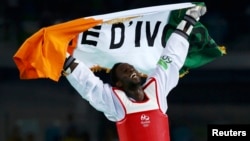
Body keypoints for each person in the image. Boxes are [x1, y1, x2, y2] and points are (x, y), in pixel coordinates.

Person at [61, 5, 207, 141]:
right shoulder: (116, 103)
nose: (131, 70)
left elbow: (171, 57)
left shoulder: (156, 89)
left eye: (131, 68)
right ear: (118, 83)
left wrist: (190, 18)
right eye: (125, 71)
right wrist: (61, 55)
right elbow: (88, 84)